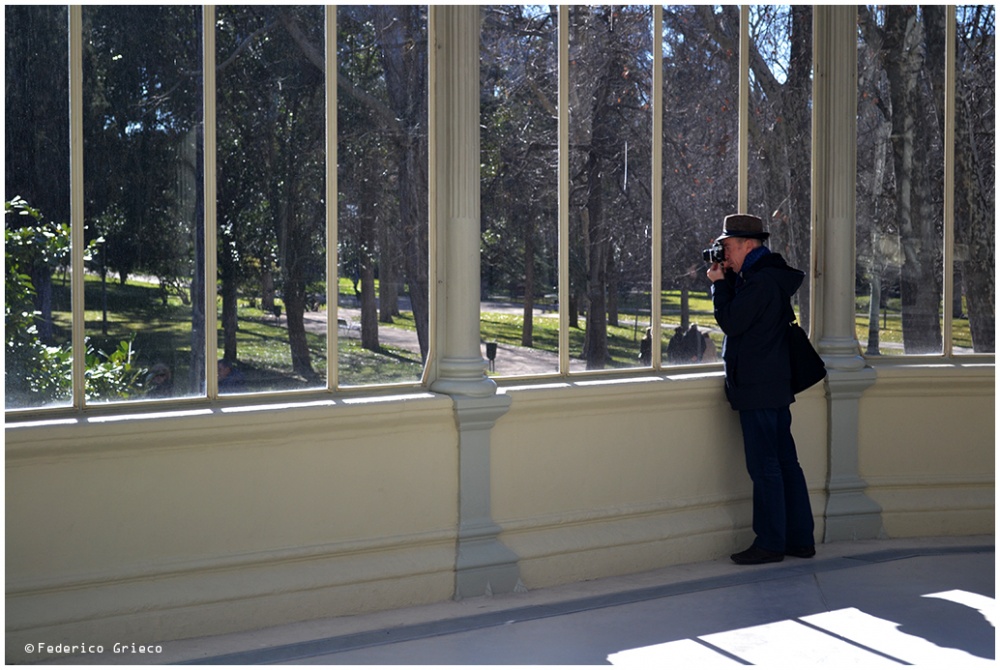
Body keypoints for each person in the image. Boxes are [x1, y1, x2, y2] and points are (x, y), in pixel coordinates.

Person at [706, 213, 814, 565]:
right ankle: (799, 540)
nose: (723, 254)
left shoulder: (761, 282)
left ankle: (770, 543)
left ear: (747, 245)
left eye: (727, 247)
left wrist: (720, 285)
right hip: (772, 383)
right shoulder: (765, 277)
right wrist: (732, 278)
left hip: (759, 386)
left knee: (766, 466)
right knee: (785, 463)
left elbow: (732, 322)